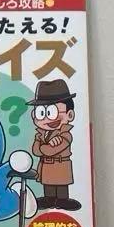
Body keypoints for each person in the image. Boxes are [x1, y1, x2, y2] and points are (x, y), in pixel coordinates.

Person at [28, 79, 81, 210]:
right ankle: (49, 199)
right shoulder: (41, 134)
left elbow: (50, 150)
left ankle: (63, 200)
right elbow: (36, 150)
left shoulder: (65, 134)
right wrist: (43, 146)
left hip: (60, 164)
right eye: (41, 113)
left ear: (69, 115)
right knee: (48, 185)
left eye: (51, 112)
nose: (46, 119)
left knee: (61, 185)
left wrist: (42, 147)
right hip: (46, 165)